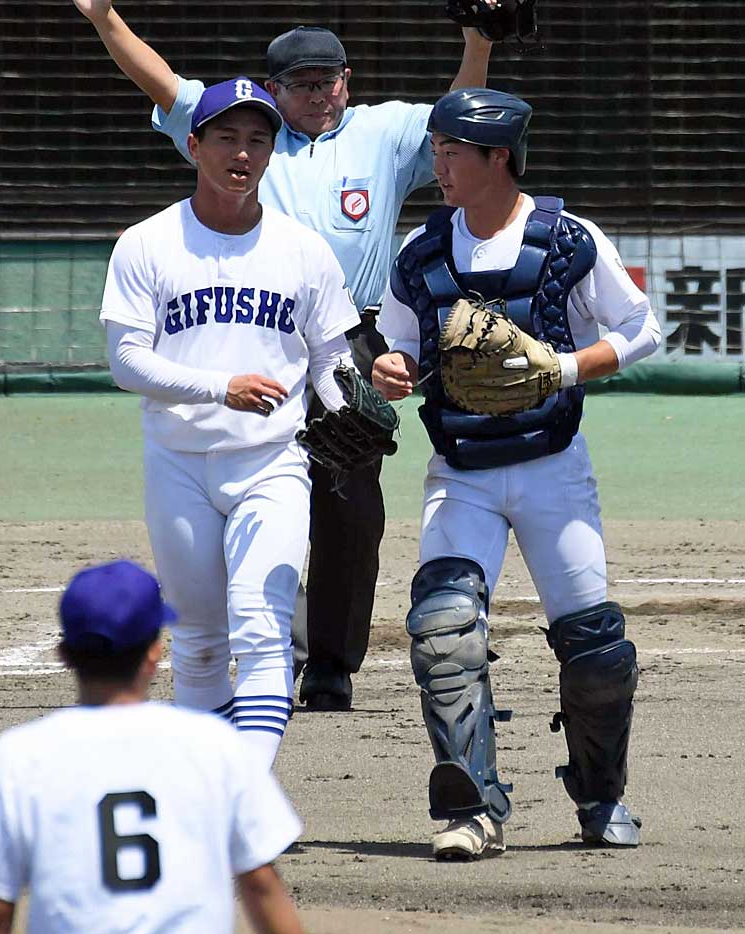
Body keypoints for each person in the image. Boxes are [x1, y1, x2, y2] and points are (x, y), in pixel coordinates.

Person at [72, 0, 494, 711]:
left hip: (348, 334)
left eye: (330, 79)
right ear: (272, 91)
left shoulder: (382, 130)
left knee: (351, 502)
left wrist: (478, 41)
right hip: (257, 331)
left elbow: (457, 118)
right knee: (249, 485)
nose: (320, 92)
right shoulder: (246, 135)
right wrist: (104, 18)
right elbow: (164, 85)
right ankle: (271, 629)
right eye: (303, 83)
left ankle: (330, 659)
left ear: (348, 80)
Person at [372, 88, 661, 861]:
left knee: (595, 648)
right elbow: (395, 346)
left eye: (452, 152)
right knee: (442, 630)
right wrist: (391, 370)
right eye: (434, 149)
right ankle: (475, 808)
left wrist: (563, 367)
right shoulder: (423, 251)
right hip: (460, 469)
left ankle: (600, 798)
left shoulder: (568, 239)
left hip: (551, 468)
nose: (438, 165)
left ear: (498, 157)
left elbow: (643, 330)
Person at [99, 78, 362, 770]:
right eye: (226, 137)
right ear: (193, 145)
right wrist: (221, 386)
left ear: (272, 154)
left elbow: (333, 357)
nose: (242, 152)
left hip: (272, 461)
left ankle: (239, 793)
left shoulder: (303, 250)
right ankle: (222, 792)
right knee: (201, 643)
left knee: (262, 624)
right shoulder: (148, 243)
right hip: (179, 464)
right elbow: (127, 361)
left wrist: (350, 403)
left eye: (257, 139)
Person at [0, 559, 309, 934]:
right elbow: (260, 884)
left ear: (64, 654)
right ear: (155, 652)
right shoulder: (212, 745)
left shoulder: (17, 757)